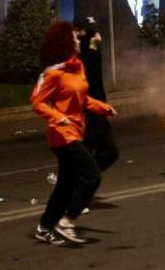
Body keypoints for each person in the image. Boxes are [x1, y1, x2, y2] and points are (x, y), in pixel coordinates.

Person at [31, 21, 116, 245]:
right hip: (62, 136)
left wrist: (103, 108)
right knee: (91, 176)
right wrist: (57, 117)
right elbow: (37, 102)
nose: (79, 41)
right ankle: (67, 222)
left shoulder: (77, 67)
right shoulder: (54, 73)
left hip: (77, 131)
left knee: (65, 185)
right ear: (66, 44)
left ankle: (44, 227)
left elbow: (82, 98)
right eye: (75, 39)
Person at [73, 15, 120, 203]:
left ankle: (79, 183)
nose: (93, 36)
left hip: (98, 110)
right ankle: (75, 193)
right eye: (88, 32)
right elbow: (88, 75)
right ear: (77, 31)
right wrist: (91, 48)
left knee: (110, 152)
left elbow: (97, 81)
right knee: (85, 153)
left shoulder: (92, 50)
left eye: (94, 32)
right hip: (82, 112)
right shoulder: (75, 52)